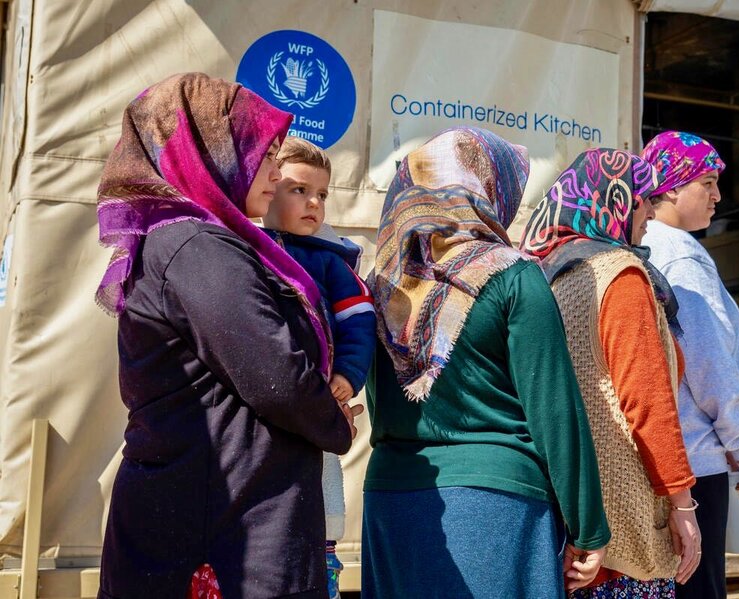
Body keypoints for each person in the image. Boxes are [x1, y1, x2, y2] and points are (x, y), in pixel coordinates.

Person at [94, 73, 362, 599]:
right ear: (208, 155)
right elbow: (275, 376)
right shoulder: (197, 247)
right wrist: (335, 422)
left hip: (218, 518)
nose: (272, 171)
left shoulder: (195, 241)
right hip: (219, 532)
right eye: (260, 153)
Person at [362, 127, 610, 598]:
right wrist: (589, 528)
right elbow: (555, 410)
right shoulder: (512, 276)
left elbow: (378, 398)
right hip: (493, 506)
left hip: (391, 502)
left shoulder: (381, 283)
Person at [520, 148, 701, 599]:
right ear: (618, 200)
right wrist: (682, 504)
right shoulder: (619, 275)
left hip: (567, 509)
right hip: (624, 511)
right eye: (643, 200)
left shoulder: (546, 273)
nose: (649, 213)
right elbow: (647, 402)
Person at [641, 131, 739, 599]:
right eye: (707, 182)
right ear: (671, 187)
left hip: (660, 457)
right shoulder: (682, 257)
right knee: (699, 585)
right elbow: (709, 363)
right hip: (695, 460)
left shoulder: (644, 245)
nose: (717, 196)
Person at [261, 137, 376, 599]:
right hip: (262, 412)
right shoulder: (241, 249)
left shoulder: (330, 261)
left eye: (322, 195)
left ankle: (319, 576)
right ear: (267, 189)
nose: (313, 203)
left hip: (315, 407)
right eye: (298, 191)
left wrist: (347, 375)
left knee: (319, 508)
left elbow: (359, 320)